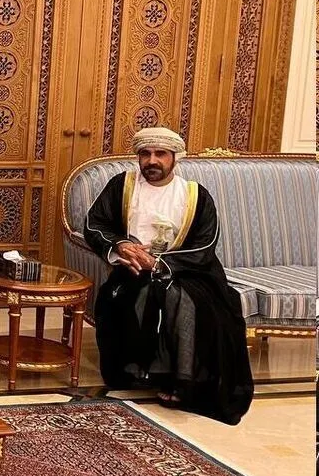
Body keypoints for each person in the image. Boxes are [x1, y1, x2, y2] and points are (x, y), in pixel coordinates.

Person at [84, 126, 252, 424]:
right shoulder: (122, 185)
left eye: (160, 154)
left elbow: (206, 245)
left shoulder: (195, 195)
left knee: (182, 297)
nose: (152, 161)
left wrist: (161, 265)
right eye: (145, 154)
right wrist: (121, 245)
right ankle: (143, 371)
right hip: (133, 269)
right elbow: (94, 224)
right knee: (138, 295)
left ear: (175, 157)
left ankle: (182, 381)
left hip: (188, 270)